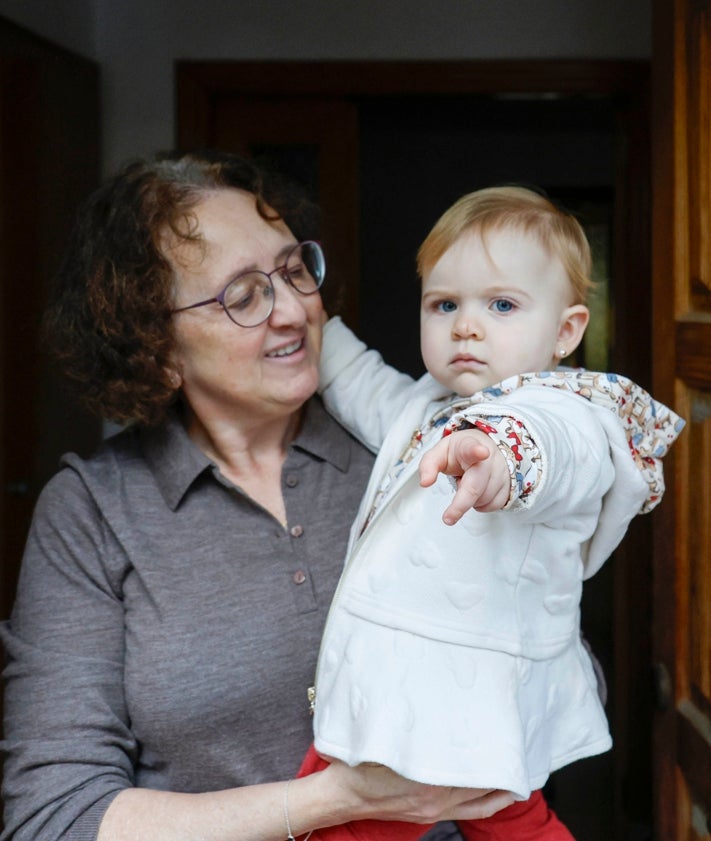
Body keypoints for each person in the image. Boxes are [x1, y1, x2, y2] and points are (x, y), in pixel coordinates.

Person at [0, 151, 515, 841]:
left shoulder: (413, 447)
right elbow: (54, 818)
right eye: (242, 295)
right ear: (155, 348)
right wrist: (333, 799)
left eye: (293, 268)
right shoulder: (92, 512)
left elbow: (554, 656)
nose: (295, 310)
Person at [294, 187, 684, 841]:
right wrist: (308, 314)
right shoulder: (425, 406)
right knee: (511, 820)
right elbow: (359, 383)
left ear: (565, 331)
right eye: (444, 304)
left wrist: (499, 463)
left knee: (345, 819)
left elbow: (557, 456)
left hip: (472, 689)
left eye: (500, 304)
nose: (465, 325)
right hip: (420, 684)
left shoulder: (566, 413)